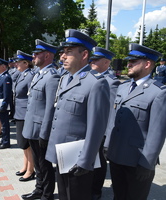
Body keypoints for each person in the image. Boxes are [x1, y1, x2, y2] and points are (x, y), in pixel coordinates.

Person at [45, 29, 110, 200]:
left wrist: (85, 161)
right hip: (62, 154)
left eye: (68, 52)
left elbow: (96, 128)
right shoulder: (66, 78)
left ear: (84, 54)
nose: (62, 57)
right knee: (64, 196)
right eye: (63, 52)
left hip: (77, 158)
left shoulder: (96, 83)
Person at [104, 43, 166, 200]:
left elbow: (157, 133)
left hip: (137, 161)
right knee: (118, 196)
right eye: (128, 61)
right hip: (117, 156)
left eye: (133, 61)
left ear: (147, 64)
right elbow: (113, 119)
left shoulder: (158, 92)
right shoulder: (123, 87)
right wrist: (107, 145)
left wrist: (147, 163)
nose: (128, 64)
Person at [21, 39, 60, 200]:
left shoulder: (52, 77)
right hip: (32, 127)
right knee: (38, 163)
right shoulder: (39, 74)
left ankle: (47, 194)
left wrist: (45, 133)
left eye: (37, 54)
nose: (33, 56)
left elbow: (50, 108)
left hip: (40, 130)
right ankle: (39, 188)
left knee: (45, 165)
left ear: (47, 56)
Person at [89, 47, 121, 200]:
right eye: (92, 59)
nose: (92, 61)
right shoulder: (89, 77)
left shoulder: (111, 82)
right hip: (88, 128)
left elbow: (111, 112)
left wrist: (107, 136)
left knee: (99, 163)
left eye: (96, 59)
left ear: (106, 62)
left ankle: (96, 191)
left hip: (100, 131)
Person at [13, 50, 35, 182]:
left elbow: (31, 97)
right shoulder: (22, 75)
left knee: (28, 144)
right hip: (19, 113)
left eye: (18, 62)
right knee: (23, 144)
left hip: (25, 114)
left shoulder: (30, 76)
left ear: (26, 63)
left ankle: (30, 170)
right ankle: (25, 166)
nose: (16, 64)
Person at [0, 58, 13, 149]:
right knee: (2, 122)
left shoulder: (6, 77)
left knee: (5, 124)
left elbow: (7, 93)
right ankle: (3, 140)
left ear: (4, 66)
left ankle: (6, 142)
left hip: (2, 104)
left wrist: (4, 104)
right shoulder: (1, 76)